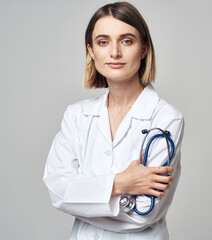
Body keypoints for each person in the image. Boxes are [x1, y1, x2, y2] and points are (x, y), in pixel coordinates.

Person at [43, 2, 184, 239]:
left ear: (144, 49)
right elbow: (57, 192)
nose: (115, 52)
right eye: (103, 41)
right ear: (91, 50)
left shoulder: (166, 118)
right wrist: (121, 184)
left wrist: (82, 195)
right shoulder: (77, 115)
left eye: (126, 40)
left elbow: (143, 215)